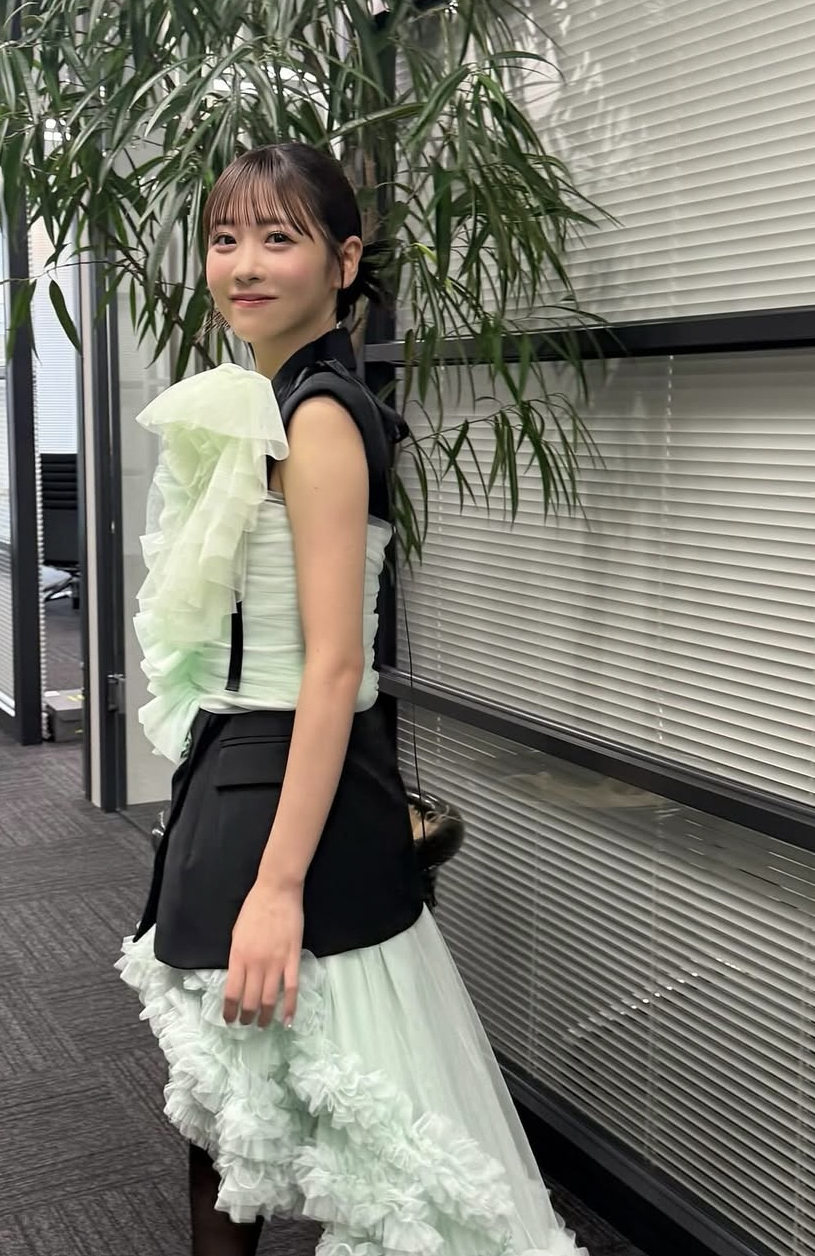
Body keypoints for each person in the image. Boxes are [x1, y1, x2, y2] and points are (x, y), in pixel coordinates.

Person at [116, 142, 589, 1255]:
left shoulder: (320, 415)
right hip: (246, 766)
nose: (243, 264)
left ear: (342, 260)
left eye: (277, 237)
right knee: (238, 1105)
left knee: (356, 1139)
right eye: (224, 238)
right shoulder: (279, 400)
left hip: (289, 778)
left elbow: (335, 666)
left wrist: (278, 887)